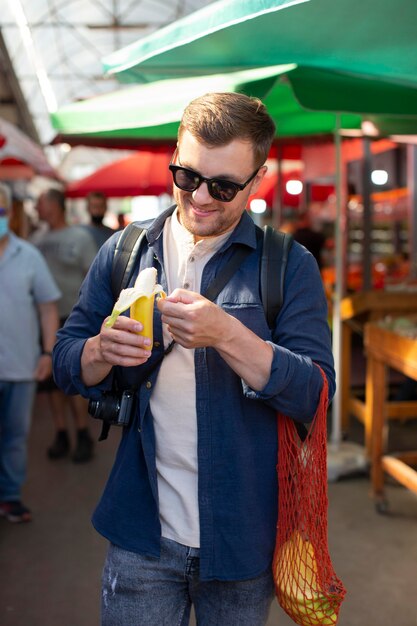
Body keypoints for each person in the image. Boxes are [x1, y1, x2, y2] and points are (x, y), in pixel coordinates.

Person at [53, 93, 335, 626]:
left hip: (243, 539)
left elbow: (316, 394)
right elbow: (67, 358)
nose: (201, 198)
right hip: (141, 533)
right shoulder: (126, 250)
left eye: (224, 186)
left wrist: (230, 334)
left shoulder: (288, 265)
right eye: (187, 176)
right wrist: (98, 352)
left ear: (257, 181)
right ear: (176, 158)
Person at [0, 183, 60, 523]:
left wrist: (47, 353)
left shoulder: (29, 255)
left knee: (14, 438)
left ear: (9, 213)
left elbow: (48, 309)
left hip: (21, 367)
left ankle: (9, 497)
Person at [32, 188, 97, 462]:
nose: (36, 208)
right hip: (44, 320)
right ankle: (61, 433)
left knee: (72, 379)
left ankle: (82, 434)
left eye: (40, 203)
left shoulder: (79, 238)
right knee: (50, 384)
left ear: (55, 206)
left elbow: (94, 278)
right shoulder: (36, 240)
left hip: (72, 320)